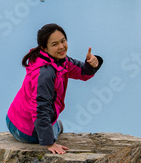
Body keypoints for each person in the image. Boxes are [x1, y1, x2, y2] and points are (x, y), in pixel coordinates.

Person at [6, 23, 102, 154]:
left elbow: (82, 73)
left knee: (55, 124)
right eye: (55, 44)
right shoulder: (45, 73)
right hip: (25, 130)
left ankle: (52, 127)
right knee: (58, 126)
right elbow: (40, 108)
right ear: (44, 48)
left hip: (14, 118)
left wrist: (92, 64)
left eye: (63, 41)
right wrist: (49, 143)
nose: (61, 46)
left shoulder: (59, 60)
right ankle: (52, 130)